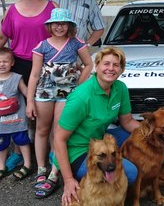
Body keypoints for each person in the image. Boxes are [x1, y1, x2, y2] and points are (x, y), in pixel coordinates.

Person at [53, 46, 140, 206]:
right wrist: (68, 180)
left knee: (138, 139)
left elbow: (127, 122)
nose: (111, 69)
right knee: (130, 173)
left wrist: (150, 132)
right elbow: (59, 139)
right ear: (97, 66)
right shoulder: (82, 97)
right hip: (77, 149)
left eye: (116, 65)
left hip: (101, 141)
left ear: (121, 69)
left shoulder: (120, 88)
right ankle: (69, 171)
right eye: (106, 64)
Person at [0, 0, 55, 170]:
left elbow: (63, 35)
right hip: (19, 64)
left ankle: (52, 154)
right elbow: (2, 37)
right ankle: (20, 152)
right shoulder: (12, 9)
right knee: (18, 110)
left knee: (45, 110)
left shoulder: (52, 6)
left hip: (46, 65)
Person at [26, 8, 93, 198]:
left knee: (59, 131)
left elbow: (89, 64)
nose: (59, 27)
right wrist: (30, 100)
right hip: (45, 91)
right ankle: (41, 168)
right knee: (42, 129)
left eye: (63, 23)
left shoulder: (76, 43)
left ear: (69, 25)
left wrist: (78, 86)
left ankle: (54, 173)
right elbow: (34, 74)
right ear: (50, 26)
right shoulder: (42, 46)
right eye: (56, 23)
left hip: (67, 93)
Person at [0, 47, 33, 183]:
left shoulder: (17, 78)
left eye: (5, 61)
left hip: (17, 119)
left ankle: (27, 164)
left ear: (12, 63)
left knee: (22, 141)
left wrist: (33, 104)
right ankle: (1, 167)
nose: (1, 64)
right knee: (1, 144)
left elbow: (27, 92)